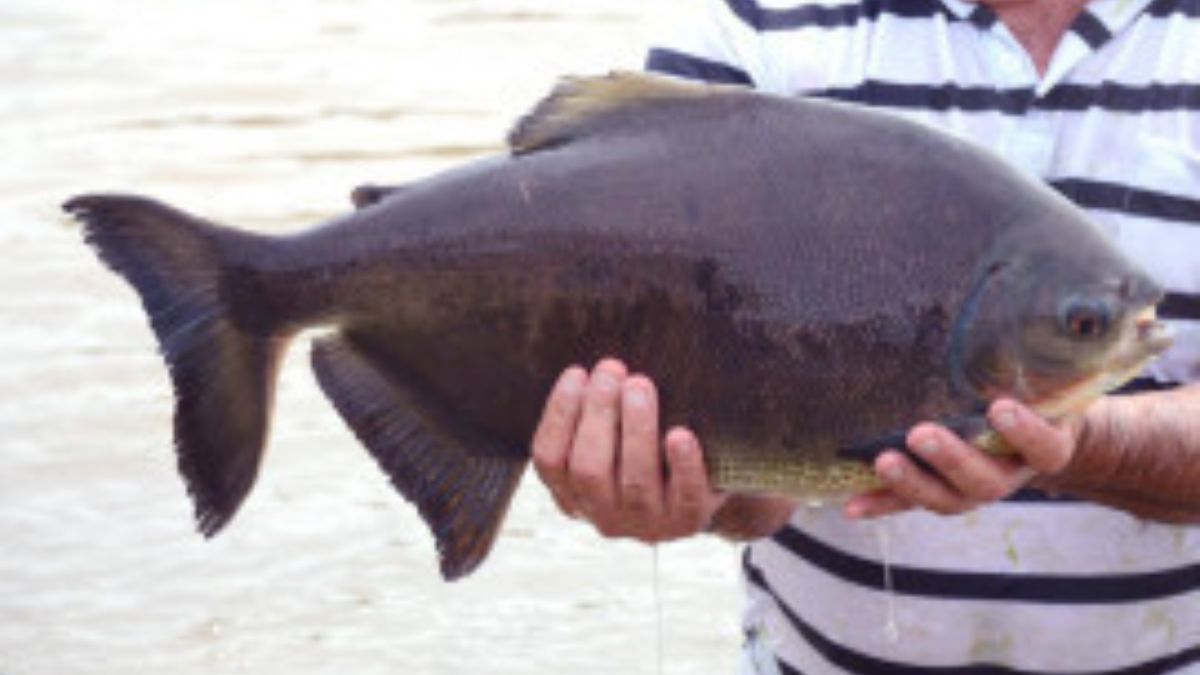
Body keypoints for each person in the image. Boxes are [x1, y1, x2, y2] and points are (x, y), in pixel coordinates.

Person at [531, 0, 1200, 672]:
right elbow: (753, 487)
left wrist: (1082, 443)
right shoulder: (758, 28)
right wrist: (685, 483)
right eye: (1083, 325)